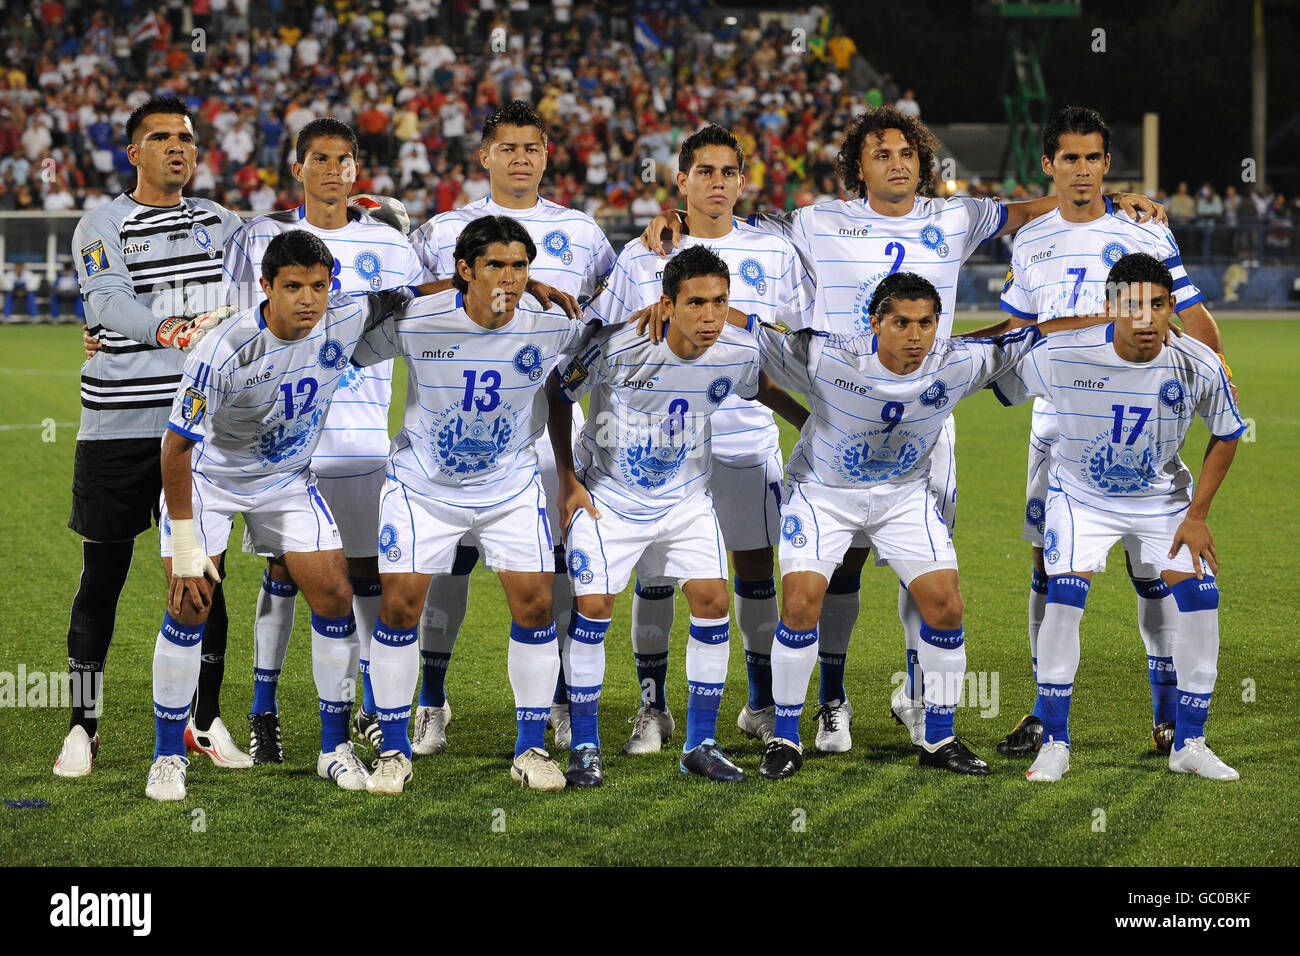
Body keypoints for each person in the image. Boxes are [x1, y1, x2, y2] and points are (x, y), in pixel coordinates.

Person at [641, 106, 1167, 757]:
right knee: (838, 572)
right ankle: (832, 704)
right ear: (857, 166)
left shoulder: (956, 216)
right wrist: (674, 219)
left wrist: (1110, 202)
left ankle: (921, 705)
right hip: (841, 413)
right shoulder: (817, 220)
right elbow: (732, 226)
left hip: (925, 418)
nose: (897, 162)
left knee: (927, 568)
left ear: (922, 161)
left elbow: (1029, 208)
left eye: (907, 153)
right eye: (881, 153)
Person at [751, 271, 1107, 780]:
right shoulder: (824, 355)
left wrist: (1117, 318)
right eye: (901, 322)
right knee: (802, 602)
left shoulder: (957, 361)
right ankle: (785, 737)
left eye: (926, 323)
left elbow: (1040, 330)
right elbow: (741, 326)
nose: (915, 335)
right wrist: (659, 309)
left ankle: (939, 736)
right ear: (875, 323)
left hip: (903, 497)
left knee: (945, 604)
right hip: (823, 495)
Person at [992, 106, 1227, 758]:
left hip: (1143, 425)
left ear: (1107, 163)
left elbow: (1194, 315)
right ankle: (1043, 710)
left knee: (1151, 566)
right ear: (1049, 165)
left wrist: (1218, 381)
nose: (1082, 170)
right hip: (1058, 428)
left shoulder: (1144, 231)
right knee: (1051, 567)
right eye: (1069, 158)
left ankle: (1167, 711)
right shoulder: (1032, 240)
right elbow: (1016, 330)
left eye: (1093, 158)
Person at [146, 229, 411, 800]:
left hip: (287, 482)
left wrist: (517, 284)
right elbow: (175, 447)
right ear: (265, 287)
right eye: (293, 286)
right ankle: (168, 755)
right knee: (190, 604)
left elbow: (418, 296)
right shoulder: (221, 348)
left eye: (319, 285)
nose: (308, 299)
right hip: (210, 482)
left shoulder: (343, 317)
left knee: (336, 596)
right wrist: (189, 543)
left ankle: (333, 747)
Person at [349, 215, 595, 795]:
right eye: (495, 266)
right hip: (422, 488)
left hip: (509, 487)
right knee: (400, 608)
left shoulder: (552, 322)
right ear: (464, 270)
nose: (509, 278)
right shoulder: (417, 318)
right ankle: (393, 747)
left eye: (520, 267)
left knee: (536, 604)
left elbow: (590, 364)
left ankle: (531, 746)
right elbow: (346, 343)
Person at [587, 125, 811, 754]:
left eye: (728, 172)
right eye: (703, 172)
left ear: (743, 181)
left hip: (743, 435)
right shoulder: (640, 256)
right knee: (655, 577)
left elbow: (794, 348)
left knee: (751, 572)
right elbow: (603, 348)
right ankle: (652, 709)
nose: (717, 183)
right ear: (679, 180)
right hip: (657, 443)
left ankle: (760, 703)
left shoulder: (774, 252)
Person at [400, 100, 612, 758]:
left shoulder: (582, 232)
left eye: (532, 147)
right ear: (485, 156)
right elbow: (408, 302)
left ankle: (555, 703)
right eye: (508, 147)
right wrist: (521, 286)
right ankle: (431, 700)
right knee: (448, 568)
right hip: (451, 432)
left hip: (548, 429)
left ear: (547, 156)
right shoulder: (441, 231)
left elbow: (607, 304)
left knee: (552, 574)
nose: (520, 157)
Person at [549, 245, 803, 784]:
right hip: (611, 503)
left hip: (686, 502)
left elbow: (765, 389)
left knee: (711, 601)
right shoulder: (619, 346)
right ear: (667, 304)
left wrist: (814, 424)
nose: (710, 316)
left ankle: (700, 744)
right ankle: (587, 745)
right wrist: (569, 482)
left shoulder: (734, 352)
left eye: (720, 302)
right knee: (592, 609)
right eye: (696, 303)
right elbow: (558, 389)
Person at [221, 118, 428, 765]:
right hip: (286, 447)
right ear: (298, 167)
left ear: (356, 171)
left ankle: (365, 707)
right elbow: (234, 328)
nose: (333, 169)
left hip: (366, 445)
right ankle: (263, 712)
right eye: (320, 158)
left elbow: (423, 332)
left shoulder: (391, 247)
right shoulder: (263, 237)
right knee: (283, 574)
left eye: (344, 159)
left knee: (364, 580)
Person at [55, 96, 244, 779]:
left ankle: (203, 719)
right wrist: (169, 329)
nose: (176, 148)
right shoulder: (103, 222)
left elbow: (268, 284)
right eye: (160, 138)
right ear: (133, 152)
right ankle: (83, 725)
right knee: (101, 574)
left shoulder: (225, 224)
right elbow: (106, 300)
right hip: (116, 424)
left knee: (203, 577)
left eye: (186, 139)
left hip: (197, 431)